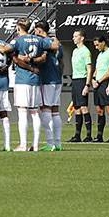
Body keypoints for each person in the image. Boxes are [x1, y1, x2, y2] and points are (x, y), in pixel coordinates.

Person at [0, 19, 56, 152]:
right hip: (36, 79)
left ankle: (23, 144)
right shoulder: (38, 39)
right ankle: (35, 145)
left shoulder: (18, 40)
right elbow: (54, 45)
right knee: (34, 112)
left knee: (22, 112)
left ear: (18, 28)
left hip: (23, 80)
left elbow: (4, 49)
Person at [34, 21, 63, 151]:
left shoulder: (44, 43)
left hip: (47, 79)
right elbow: (61, 61)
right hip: (57, 79)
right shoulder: (57, 43)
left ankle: (50, 143)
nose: (34, 34)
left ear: (40, 31)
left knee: (46, 109)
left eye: (35, 31)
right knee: (55, 111)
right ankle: (58, 143)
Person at [68, 29, 93, 142]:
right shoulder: (75, 51)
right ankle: (77, 135)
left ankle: (88, 135)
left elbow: (89, 69)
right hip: (75, 80)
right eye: (73, 36)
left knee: (84, 107)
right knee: (76, 107)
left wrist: (87, 85)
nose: (73, 38)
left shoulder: (85, 51)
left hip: (82, 80)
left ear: (81, 38)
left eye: (75, 36)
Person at [91, 35, 109, 142]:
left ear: (103, 42)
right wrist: (93, 79)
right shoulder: (100, 55)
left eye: (97, 44)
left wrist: (99, 81)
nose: (96, 47)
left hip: (105, 84)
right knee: (99, 110)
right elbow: (97, 69)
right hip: (97, 85)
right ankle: (99, 136)